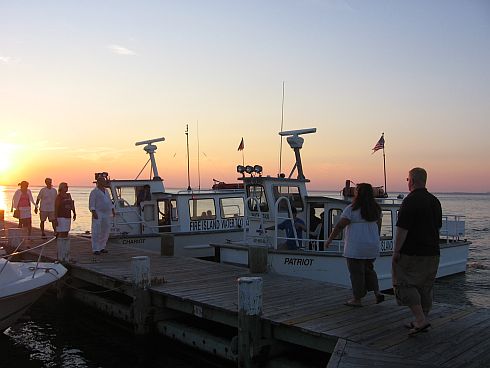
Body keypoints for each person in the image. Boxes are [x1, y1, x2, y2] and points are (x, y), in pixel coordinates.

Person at [392, 167, 442, 335]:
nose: (408, 183)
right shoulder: (435, 201)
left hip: (412, 253)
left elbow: (402, 229)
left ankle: (420, 320)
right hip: (433, 252)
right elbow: (437, 227)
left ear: (412, 181)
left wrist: (396, 251)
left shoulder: (410, 201)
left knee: (404, 284)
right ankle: (422, 319)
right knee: (425, 287)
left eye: (407, 180)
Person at [325, 183, 384, 307]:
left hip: (356, 246)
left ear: (358, 193)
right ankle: (377, 292)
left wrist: (330, 239)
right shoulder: (376, 209)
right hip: (371, 245)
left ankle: (357, 299)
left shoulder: (352, 209)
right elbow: (378, 226)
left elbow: (340, 225)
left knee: (356, 273)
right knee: (369, 270)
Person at [89, 175, 115, 255]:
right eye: (103, 181)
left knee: (106, 230)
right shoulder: (94, 192)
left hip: (107, 213)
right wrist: (93, 212)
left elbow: (109, 201)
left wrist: (113, 210)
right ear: (99, 182)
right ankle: (95, 249)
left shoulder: (106, 191)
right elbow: (92, 203)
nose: (104, 182)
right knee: (96, 230)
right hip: (98, 212)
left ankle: (102, 247)